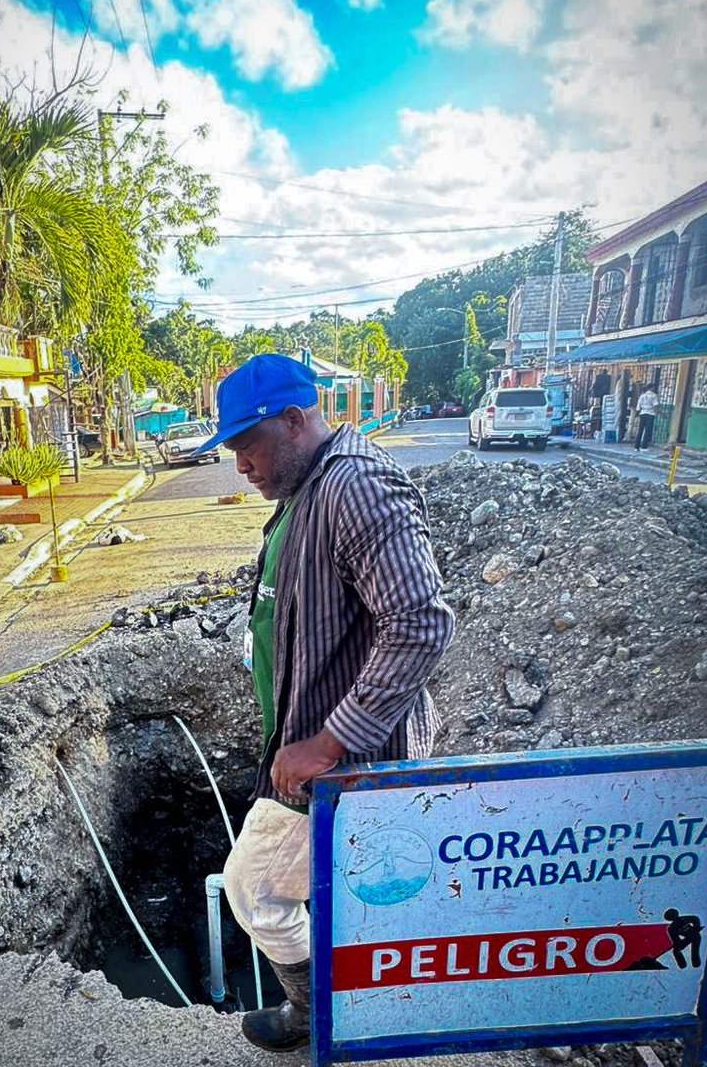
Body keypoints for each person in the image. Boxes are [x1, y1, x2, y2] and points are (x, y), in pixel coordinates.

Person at [193, 354, 454, 1052]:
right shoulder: (305, 488)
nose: (239, 464)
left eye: (248, 444)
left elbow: (420, 623)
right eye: (231, 448)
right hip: (310, 743)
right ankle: (354, 1005)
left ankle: (321, 1015)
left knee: (254, 890)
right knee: (352, 893)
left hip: (347, 758)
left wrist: (329, 740)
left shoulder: (356, 486)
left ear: (293, 420)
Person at [634, 384, 659, 451]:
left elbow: (638, 407)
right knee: (647, 431)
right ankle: (644, 447)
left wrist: (636, 415)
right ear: (651, 388)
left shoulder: (642, 396)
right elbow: (655, 407)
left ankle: (636, 447)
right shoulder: (654, 395)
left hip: (642, 414)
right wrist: (661, 414)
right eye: (653, 387)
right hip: (650, 414)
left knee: (640, 430)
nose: (654, 388)